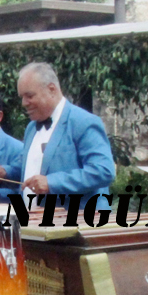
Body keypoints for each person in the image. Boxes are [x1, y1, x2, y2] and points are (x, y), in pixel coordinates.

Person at [16, 62, 115, 213]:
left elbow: (103, 170)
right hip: (35, 224)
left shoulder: (84, 121)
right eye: (22, 97)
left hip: (79, 223)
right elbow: (32, 167)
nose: (24, 103)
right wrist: (3, 172)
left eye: (29, 96)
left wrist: (52, 183)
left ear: (51, 90)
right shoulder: (31, 128)